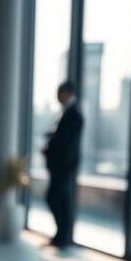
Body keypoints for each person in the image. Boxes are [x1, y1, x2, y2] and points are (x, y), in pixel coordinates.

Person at [42, 80, 84, 248]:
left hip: (64, 165)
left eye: (60, 93)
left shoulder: (74, 114)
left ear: (68, 93)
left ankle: (63, 236)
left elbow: (66, 141)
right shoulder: (66, 113)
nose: (58, 97)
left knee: (59, 198)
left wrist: (51, 145)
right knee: (56, 198)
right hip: (59, 165)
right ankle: (61, 235)